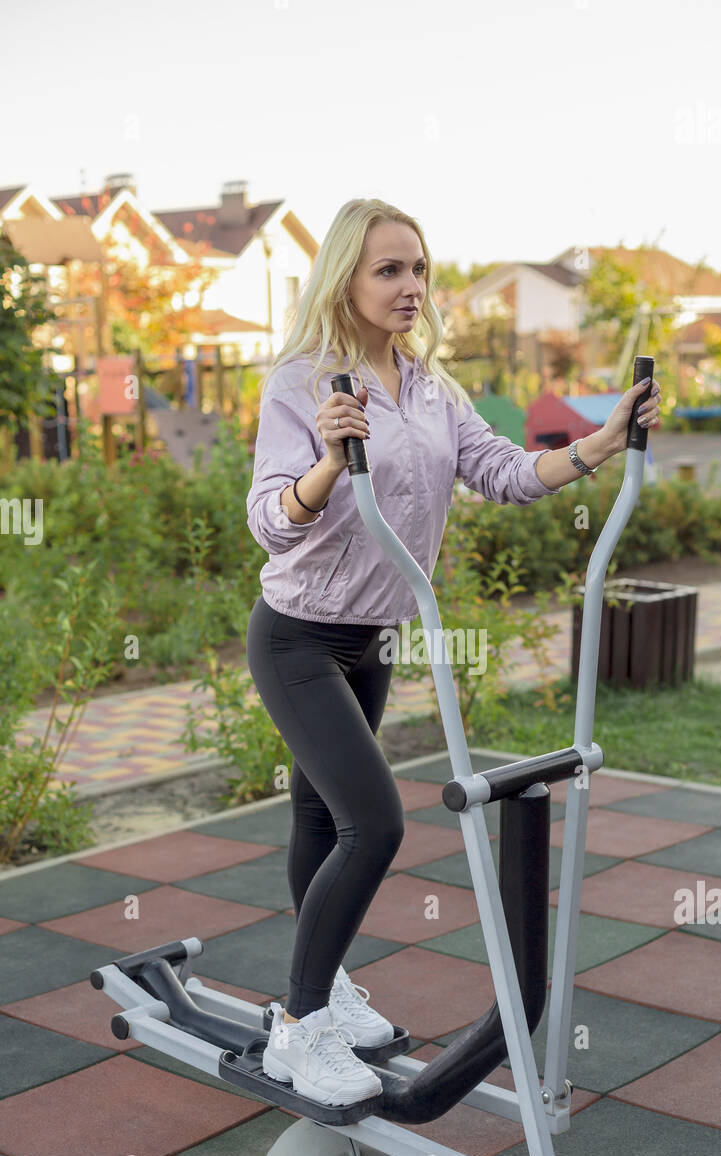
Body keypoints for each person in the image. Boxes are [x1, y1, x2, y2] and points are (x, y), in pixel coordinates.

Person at [245, 197, 662, 1107]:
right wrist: (326, 459)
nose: (409, 287)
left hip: (371, 639)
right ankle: (297, 1026)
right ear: (347, 280)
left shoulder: (433, 389)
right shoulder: (303, 383)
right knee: (375, 824)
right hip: (298, 638)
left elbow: (508, 474)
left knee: (320, 821)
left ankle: (327, 990)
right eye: (389, 270)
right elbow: (271, 525)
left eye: (419, 269)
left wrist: (602, 438)